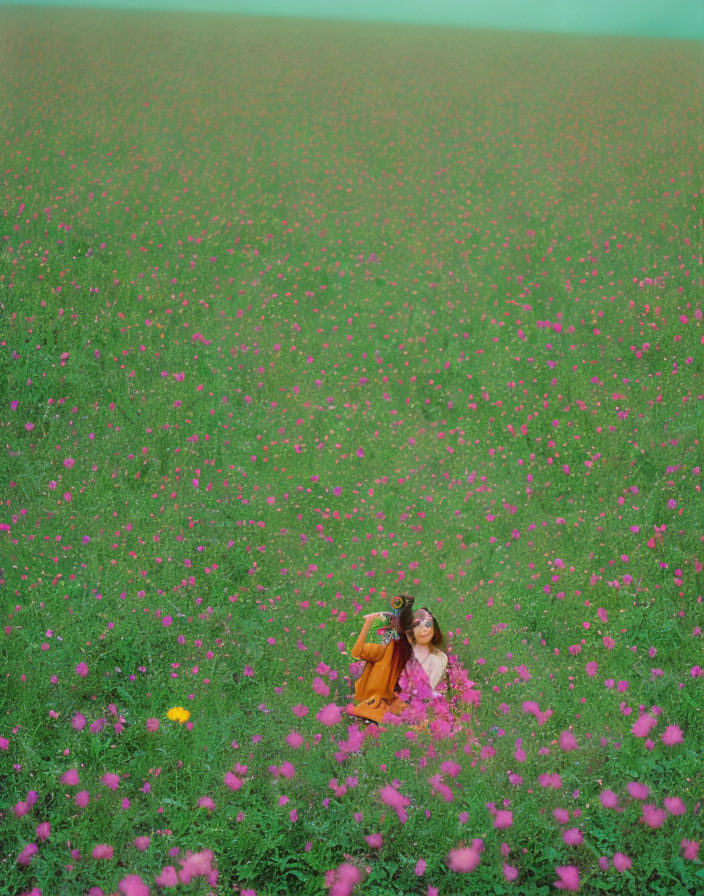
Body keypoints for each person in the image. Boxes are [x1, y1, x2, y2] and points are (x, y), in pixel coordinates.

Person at [345, 595, 449, 725]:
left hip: (407, 703)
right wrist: (369, 622)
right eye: (417, 625)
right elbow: (358, 652)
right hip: (392, 701)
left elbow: (426, 689)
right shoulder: (392, 647)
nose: (425, 630)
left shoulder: (438, 657)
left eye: (428, 624)